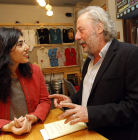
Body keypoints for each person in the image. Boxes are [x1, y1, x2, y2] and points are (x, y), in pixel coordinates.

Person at [49, 6, 138, 140]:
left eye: (81, 30)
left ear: (99, 28)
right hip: (87, 133)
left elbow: (134, 107)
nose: (77, 37)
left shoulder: (130, 54)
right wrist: (71, 100)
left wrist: (91, 114)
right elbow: (88, 94)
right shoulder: (88, 61)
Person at [0, 27, 51, 136]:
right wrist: (8, 126)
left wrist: (35, 117)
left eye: (25, 43)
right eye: (20, 44)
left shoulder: (35, 71)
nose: (27, 47)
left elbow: (45, 100)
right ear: (5, 49)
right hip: (6, 135)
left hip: (34, 131)